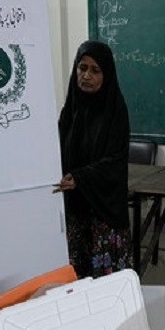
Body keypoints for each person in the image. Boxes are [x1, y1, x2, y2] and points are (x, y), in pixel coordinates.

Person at [54, 40, 132, 278]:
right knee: (74, 280)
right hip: (74, 209)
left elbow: (115, 161)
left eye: (95, 70)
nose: (86, 75)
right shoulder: (71, 109)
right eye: (82, 68)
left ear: (106, 75)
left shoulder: (115, 110)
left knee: (103, 285)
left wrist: (80, 177)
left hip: (102, 213)